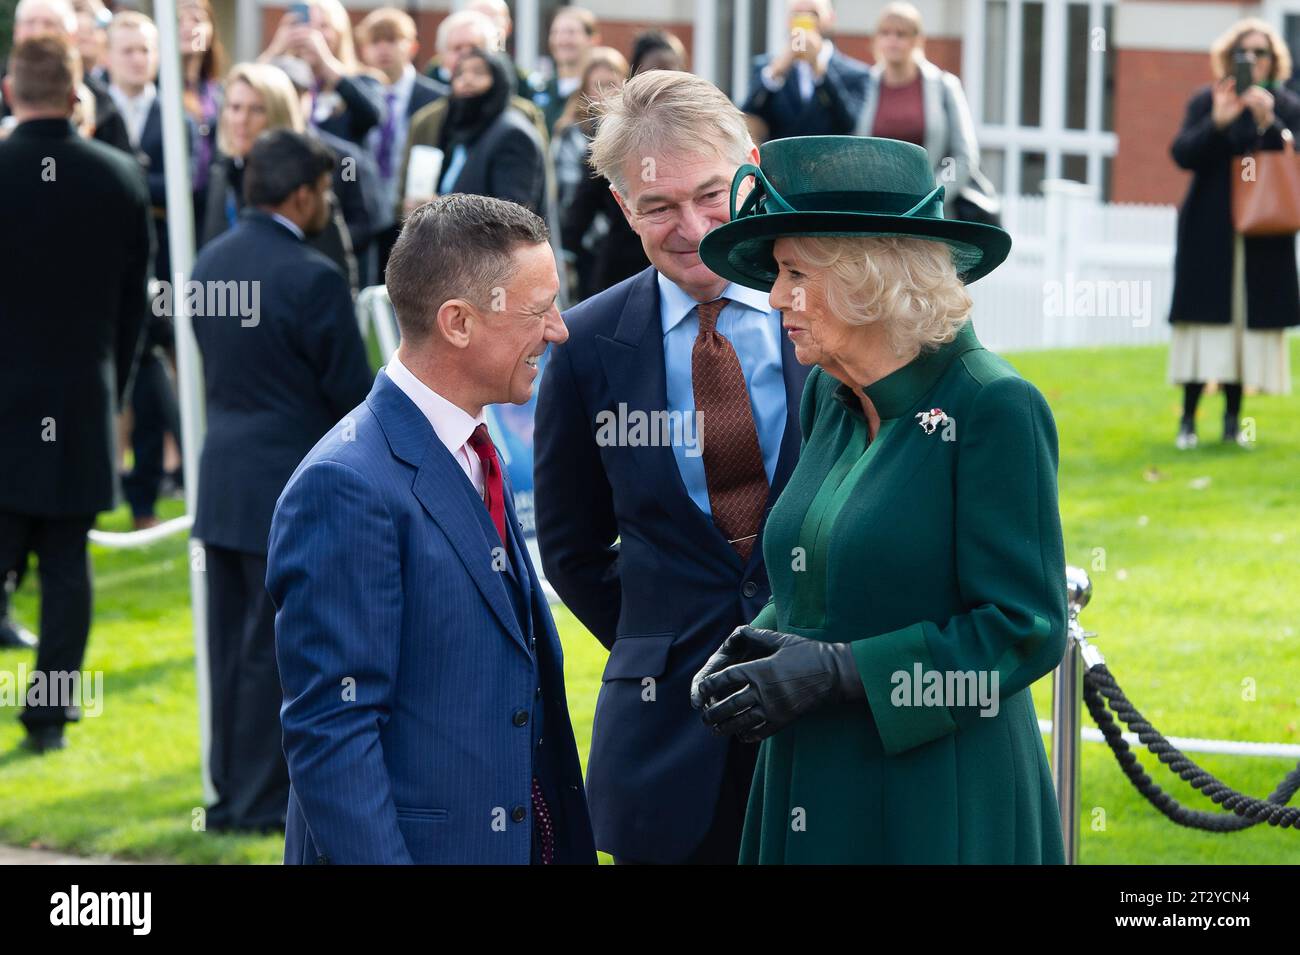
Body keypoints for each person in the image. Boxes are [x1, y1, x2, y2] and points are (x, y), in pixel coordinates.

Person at [691, 134, 1066, 864]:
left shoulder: (994, 406)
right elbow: (824, 571)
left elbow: (1025, 626)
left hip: (936, 793)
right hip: (813, 773)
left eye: (794, 272)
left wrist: (839, 672)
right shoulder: (831, 397)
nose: (773, 298)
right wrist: (753, 645)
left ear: (870, 278)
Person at [267, 193, 595, 864]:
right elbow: (334, 732)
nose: (559, 329)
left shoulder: (471, 444)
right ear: (459, 323)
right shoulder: (347, 484)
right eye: (539, 310)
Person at [534, 70, 812, 865]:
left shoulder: (827, 316)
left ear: (752, 173)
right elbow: (572, 547)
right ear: (624, 207)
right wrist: (660, 638)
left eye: (711, 195)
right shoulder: (587, 344)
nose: (690, 227)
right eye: (658, 206)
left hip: (820, 732)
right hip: (661, 746)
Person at [191, 129, 373, 833]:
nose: (327, 202)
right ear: (302, 194)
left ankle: (229, 795)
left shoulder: (209, 262)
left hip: (222, 475)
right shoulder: (314, 276)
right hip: (289, 485)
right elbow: (351, 395)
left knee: (228, 648)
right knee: (271, 653)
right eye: (324, 190)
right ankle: (259, 803)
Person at [0, 35, 150, 751]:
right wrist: (109, 389)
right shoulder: (120, 176)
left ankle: (49, 717)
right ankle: (49, 717)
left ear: (9, 92)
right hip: (80, 398)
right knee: (66, 570)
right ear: (74, 95)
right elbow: (134, 309)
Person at [1168, 18, 1300, 449]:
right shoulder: (1208, 100)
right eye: (1245, 53)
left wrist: (1268, 125)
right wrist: (1219, 122)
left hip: (1262, 233)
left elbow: (1288, 160)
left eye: (1262, 53)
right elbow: (1184, 154)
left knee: (1245, 326)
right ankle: (1187, 421)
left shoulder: (1285, 105)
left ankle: (1232, 423)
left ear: (1273, 60)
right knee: (1204, 323)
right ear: (1230, 57)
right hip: (1210, 232)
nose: (1254, 61)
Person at [201, 62, 362, 291]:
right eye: (235, 107)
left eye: (257, 109)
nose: (241, 120)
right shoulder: (222, 174)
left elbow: (335, 275)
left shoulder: (305, 184)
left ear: (279, 114)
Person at [854, 2, 998, 224]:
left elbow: (961, 156)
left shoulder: (944, 86)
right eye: (885, 33)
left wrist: (934, 195)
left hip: (931, 215)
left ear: (918, 40)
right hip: (876, 213)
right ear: (876, 39)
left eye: (901, 34)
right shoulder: (863, 85)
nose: (892, 40)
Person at [356, 7, 448, 279]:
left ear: (413, 46)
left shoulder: (435, 97)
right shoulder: (358, 97)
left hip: (415, 211)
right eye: (375, 41)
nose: (384, 49)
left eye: (392, 40)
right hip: (370, 214)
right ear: (363, 50)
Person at [400, 48, 547, 218]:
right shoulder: (464, 132)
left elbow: (513, 219)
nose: (467, 80)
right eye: (460, 74)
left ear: (500, 81)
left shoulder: (513, 135)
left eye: (478, 72)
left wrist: (439, 210)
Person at [1, 0, 130, 152]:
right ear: (16, 31)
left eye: (49, 23)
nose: (38, 31)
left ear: (71, 36)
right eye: (30, 23)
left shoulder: (99, 99)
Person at [551, 46, 626, 301]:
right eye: (597, 84)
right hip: (579, 238)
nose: (604, 92)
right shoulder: (571, 132)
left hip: (614, 239)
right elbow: (565, 189)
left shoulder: (630, 133)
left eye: (611, 83)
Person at [740, 0, 870, 145]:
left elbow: (849, 124)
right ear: (788, 20)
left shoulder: (856, 73)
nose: (805, 20)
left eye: (812, 14)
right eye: (797, 14)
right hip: (780, 162)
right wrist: (775, 74)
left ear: (830, 18)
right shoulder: (766, 68)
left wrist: (819, 71)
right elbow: (748, 116)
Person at [258, 0, 383, 146]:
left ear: (340, 32)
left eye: (324, 26)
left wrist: (325, 62)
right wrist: (276, 48)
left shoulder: (363, 80)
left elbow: (374, 116)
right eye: (306, 25)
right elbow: (246, 91)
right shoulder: (285, 81)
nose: (312, 34)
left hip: (347, 167)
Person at [180, 0, 225, 240]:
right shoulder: (156, 91)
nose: (187, 27)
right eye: (179, 20)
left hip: (209, 211)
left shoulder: (218, 92)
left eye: (197, 20)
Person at [534, 5, 598, 137]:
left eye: (571, 32)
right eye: (555, 32)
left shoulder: (598, 92)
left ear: (592, 39)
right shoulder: (538, 89)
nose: (561, 40)